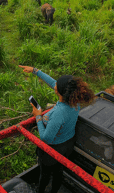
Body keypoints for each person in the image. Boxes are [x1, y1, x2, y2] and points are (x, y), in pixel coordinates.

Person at [18, 65, 96, 193]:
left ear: (59, 92)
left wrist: (38, 116)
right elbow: (54, 82)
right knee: (59, 171)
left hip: (53, 150)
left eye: (56, 86)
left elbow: (46, 138)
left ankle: (41, 190)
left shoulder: (60, 112)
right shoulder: (74, 100)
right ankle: (54, 190)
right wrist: (35, 71)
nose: (54, 85)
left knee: (45, 174)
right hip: (68, 145)